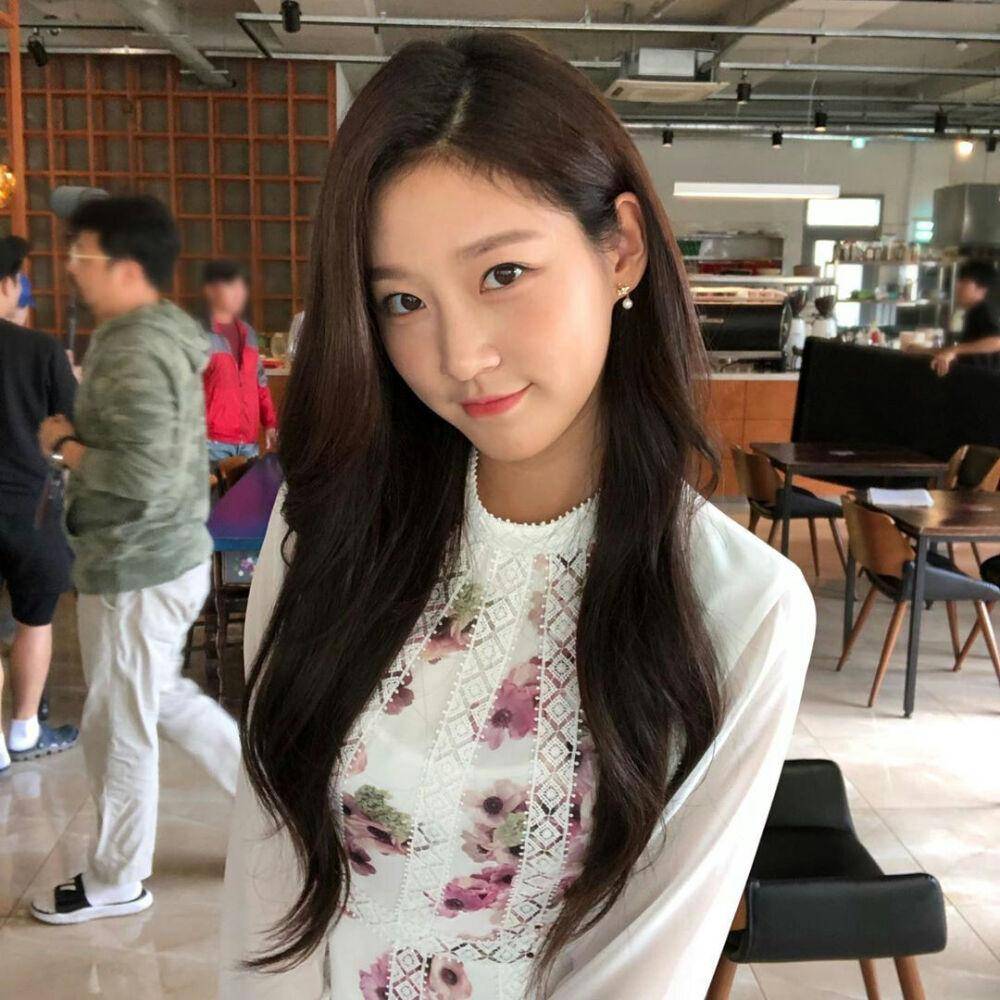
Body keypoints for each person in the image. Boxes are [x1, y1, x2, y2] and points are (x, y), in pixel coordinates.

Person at [220, 33, 816, 1000]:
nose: (460, 356)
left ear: (620, 248)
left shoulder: (739, 606)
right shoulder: (326, 525)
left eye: (502, 274)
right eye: (403, 300)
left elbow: (646, 971)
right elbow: (268, 879)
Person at [32, 195, 240, 924]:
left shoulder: (131, 349)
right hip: (162, 554)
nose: (69, 267)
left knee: (119, 723)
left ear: (126, 269)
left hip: (137, 563)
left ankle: (118, 879)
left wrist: (65, 445)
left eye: (81, 255)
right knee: (161, 698)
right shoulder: (155, 334)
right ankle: (275, 817)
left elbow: (143, 473)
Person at [0, 235, 79, 772]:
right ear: (9, 284)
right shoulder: (41, 350)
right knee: (34, 618)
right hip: (31, 507)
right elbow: (72, 429)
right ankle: (25, 728)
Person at [201, 259, 278, 467]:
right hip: (213, 444)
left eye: (240, 286)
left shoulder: (249, 333)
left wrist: (270, 424)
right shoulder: (200, 334)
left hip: (249, 444)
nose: (238, 292)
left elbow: (260, 385)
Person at [928, 260, 1000, 376]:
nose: (957, 285)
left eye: (964, 281)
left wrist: (954, 350)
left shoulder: (984, 311)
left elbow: (997, 342)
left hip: (984, 381)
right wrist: (918, 350)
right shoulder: (975, 311)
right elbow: (967, 351)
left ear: (981, 289)